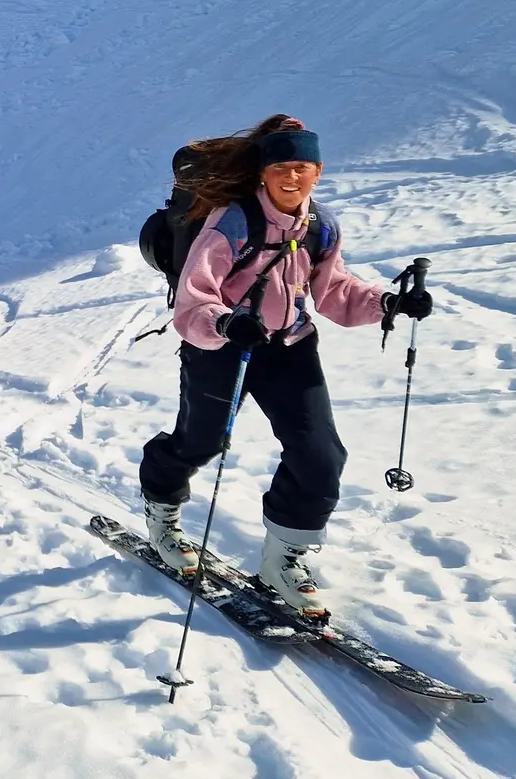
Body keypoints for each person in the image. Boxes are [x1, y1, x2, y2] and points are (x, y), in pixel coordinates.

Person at [138, 115, 431, 616]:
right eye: (281, 168)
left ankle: (283, 558)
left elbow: (333, 291)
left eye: (301, 167)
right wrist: (226, 324)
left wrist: (388, 303)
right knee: (200, 441)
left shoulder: (320, 226)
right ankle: (162, 511)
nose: (291, 178)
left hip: (290, 346)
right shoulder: (231, 221)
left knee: (321, 455)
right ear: (263, 173)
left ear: (318, 171)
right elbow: (192, 303)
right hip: (222, 348)